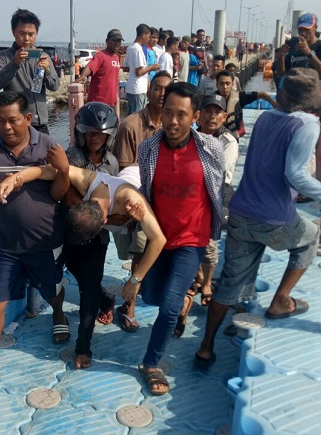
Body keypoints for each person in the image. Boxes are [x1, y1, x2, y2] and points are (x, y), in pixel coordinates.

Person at [194, 68, 321, 364]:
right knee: (310, 237)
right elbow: (296, 175)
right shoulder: (308, 124)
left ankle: (206, 345)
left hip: (240, 212)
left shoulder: (264, 118)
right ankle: (280, 300)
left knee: (229, 282)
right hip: (274, 218)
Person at [0, 130, 167, 370]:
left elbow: (158, 240)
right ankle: (104, 298)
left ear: (103, 221)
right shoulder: (88, 179)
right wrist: (16, 179)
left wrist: (135, 279)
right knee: (75, 265)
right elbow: (46, 171)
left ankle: (84, 346)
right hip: (93, 217)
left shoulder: (131, 201)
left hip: (141, 183)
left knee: (89, 286)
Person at [0, 91, 70, 389]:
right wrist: (2, 184)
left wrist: (61, 169)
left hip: (45, 241)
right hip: (6, 244)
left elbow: (59, 192)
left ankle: (58, 313)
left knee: (53, 289)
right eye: (0, 121)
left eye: (12, 121)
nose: (6, 127)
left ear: (28, 119)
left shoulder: (46, 144)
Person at [136, 82, 224, 395]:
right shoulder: (148, 148)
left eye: (182, 115)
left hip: (192, 239)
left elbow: (216, 188)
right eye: (168, 113)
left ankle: (150, 363)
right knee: (151, 297)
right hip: (159, 238)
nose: (173, 121)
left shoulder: (210, 149)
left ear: (195, 116)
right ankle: (182, 298)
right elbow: (147, 191)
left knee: (169, 307)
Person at [111, 70, 172, 331]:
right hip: (137, 197)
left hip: (166, 196)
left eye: (167, 90)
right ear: (148, 92)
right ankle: (129, 306)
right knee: (139, 248)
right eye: (157, 88)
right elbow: (124, 171)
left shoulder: (173, 126)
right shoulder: (130, 125)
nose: (161, 94)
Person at [174, 93, 238, 337]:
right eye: (208, 111)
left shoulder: (228, 141)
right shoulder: (187, 135)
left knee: (209, 245)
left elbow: (217, 171)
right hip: (187, 195)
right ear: (199, 115)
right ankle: (196, 279)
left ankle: (207, 281)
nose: (212, 116)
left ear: (224, 116)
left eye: (217, 112)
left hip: (215, 195)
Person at [0, 8, 59, 134]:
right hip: (18, 124)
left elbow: (54, 86)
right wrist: (14, 63)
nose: (26, 38)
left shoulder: (43, 56)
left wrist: (47, 70)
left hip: (41, 123)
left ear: (36, 34)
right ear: (13, 32)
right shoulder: (4, 57)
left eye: (31, 34)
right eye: (22, 33)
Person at [275, 13, 321, 81]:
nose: (303, 33)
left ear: (315, 28)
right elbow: (281, 74)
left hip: (312, 89)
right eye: (300, 30)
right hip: (293, 87)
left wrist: (309, 53)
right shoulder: (293, 43)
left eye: (307, 30)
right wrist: (281, 56)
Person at [75, 29, 123, 109]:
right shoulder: (100, 56)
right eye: (114, 41)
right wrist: (83, 75)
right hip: (97, 103)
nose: (117, 44)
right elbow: (90, 66)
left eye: (119, 41)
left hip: (111, 104)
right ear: (107, 41)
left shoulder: (117, 57)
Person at [123, 24, 160, 115]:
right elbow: (139, 72)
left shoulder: (130, 48)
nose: (148, 39)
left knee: (131, 115)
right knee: (137, 117)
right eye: (148, 36)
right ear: (143, 35)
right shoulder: (138, 49)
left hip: (132, 88)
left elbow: (126, 68)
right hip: (138, 89)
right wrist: (151, 67)